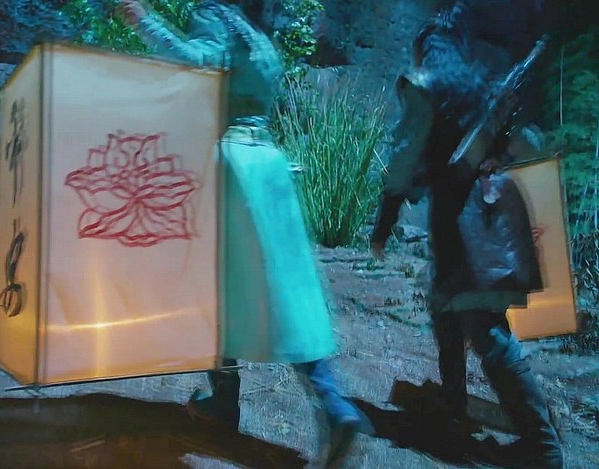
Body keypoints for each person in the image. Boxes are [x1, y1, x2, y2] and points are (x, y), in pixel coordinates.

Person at [117, 1, 369, 467]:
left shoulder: (214, 16)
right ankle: (334, 405)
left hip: (232, 166)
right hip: (268, 163)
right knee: (287, 293)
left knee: (210, 286)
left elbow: (198, 62)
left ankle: (224, 399)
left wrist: (144, 22)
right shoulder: (258, 34)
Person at [370, 2, 562, 467]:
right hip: (489, 207)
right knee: (445, 307)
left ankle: (542, 446)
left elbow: (405, 155)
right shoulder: (483, 81)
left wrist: (386, 217)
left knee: (485, 327)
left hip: (464, 218)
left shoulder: (430, 81)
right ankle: (452, 404)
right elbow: (529, 143)